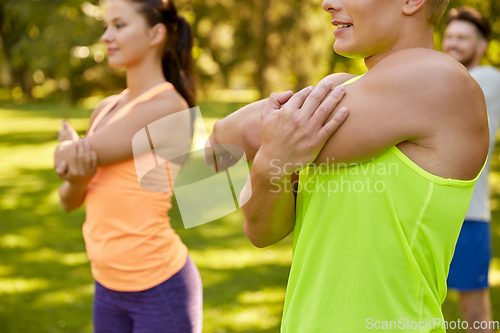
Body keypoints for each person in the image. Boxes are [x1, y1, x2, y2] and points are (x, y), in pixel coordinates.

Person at [204, 0, 490, 331]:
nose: (327, 3)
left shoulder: (439, 81)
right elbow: (262, 230)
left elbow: (235, 137)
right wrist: (270, 161)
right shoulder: (345, 89)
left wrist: (241, 134)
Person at [53, 0, 202, 332]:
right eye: (106, 26)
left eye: (119, 26)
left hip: (159, 286)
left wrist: (69, 148)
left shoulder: (167, 106)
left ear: (155, 34)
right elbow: (68, 198)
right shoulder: (106, 108)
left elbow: (64, 159)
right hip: (107, 286)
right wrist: (78, 178)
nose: (106, 36)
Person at [443, 6, 500, 332]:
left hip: (469, 216)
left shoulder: (487, 78)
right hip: (433, 210)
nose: (452, 43)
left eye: (462, 38)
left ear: (481, 46)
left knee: (476, 314)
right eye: (449, 36)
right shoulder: (442, 78)